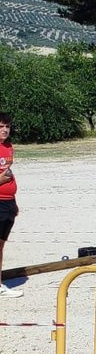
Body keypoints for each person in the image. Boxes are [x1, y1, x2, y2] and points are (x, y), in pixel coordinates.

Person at [0, 114, 21, 297]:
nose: (5, 129)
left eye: (7, 126)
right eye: (1, 126)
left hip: (8, 202)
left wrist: (13, 204)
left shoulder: (8, 147)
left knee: (1, 245)